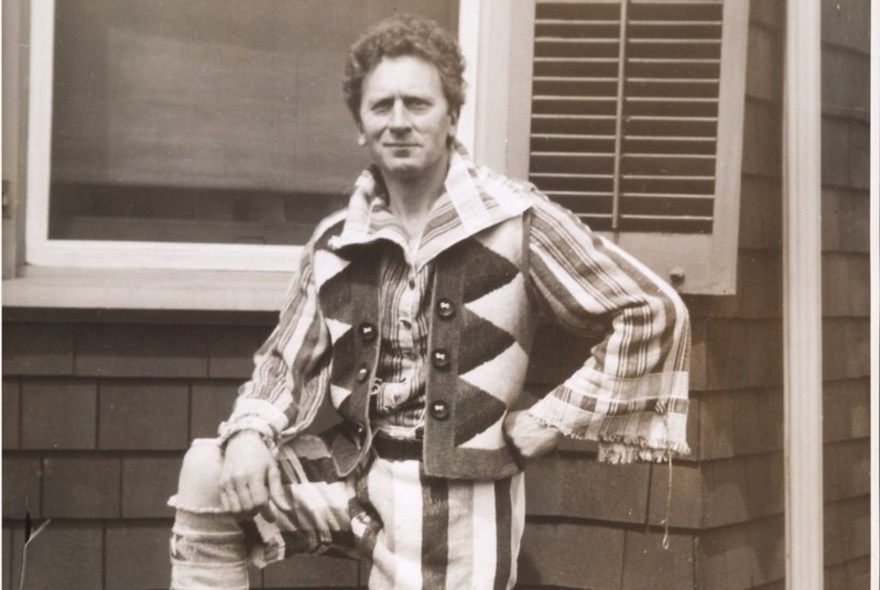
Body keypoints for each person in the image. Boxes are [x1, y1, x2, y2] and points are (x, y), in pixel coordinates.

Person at [168, 13, 690, 590]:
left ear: (451, 116)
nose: (398, 122)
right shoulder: (340, 239)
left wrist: (552, 420)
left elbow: (652, 311)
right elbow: (284, 363)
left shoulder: (514, 220)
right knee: (210, 470)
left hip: (457, 502)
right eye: (380, 107)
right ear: (360, 128)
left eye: (417, 104)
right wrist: (247, 436)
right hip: (355, 476)